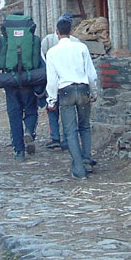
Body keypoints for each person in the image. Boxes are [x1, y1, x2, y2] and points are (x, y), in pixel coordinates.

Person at [45, 16, 99, 179]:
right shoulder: (81, 47)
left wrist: (51, 100)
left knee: (70, 131)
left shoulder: (52, 52)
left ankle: (78, 167)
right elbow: (91, 73)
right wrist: (94, 92)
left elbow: (52, 80)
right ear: (72, 31)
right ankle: (87, 159)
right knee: (85, 126)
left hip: (65, 91)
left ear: (57, 33)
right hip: (83, 89)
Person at [0, 16, 44, 161]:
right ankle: (29, 130)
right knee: (31, 110)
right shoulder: (33, 38)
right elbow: (40, 59)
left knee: (14, 115)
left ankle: (19, 151)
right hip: (28, 79)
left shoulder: (4, 39)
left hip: (10, 81)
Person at [40, 12, 80, 150]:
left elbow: (43, 58)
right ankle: (68, 140)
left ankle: (55, 137)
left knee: (52, 110)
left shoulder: (48, 40)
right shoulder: (77, 43)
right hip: (71, 83)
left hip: (54, 82)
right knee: (69, 114)